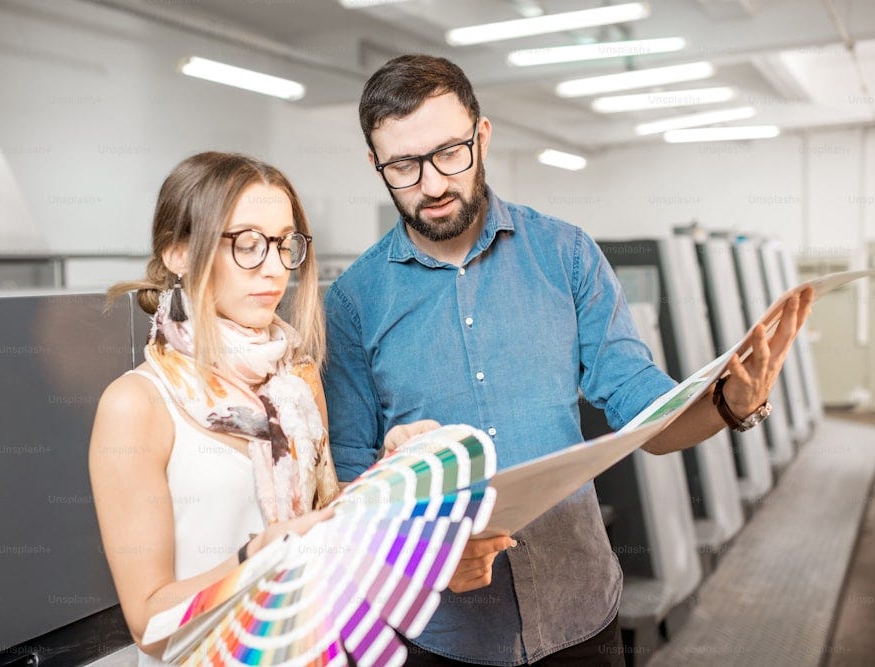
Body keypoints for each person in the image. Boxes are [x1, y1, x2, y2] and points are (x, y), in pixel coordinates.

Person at [321, 54, 813, 666]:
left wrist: (729, 404)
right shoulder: (349, 303)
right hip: (441, 633)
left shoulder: (566, 255)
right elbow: (346, 480)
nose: (433, 184)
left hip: (578, 610)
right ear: (376, 164)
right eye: (403, 165)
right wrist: (420, 554)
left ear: (483, 134)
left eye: (451, 151)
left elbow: (645, 413)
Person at [89, 152, 339, 663]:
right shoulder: (137, 404)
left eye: (284, 244)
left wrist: (401, 470)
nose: (274, 268)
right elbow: (151, 624)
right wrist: (254, 559)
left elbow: (322, 529)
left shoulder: (295, 384)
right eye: (247, 244)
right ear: (178, 252)